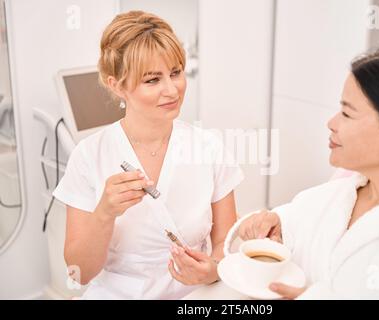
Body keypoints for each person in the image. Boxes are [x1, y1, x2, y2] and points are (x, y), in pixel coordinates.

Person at [53, 11, 243, 299]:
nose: (172, 90)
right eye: (152, 80)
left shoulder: (209, 148)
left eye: (176, 73)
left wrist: (214, 269)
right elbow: (79, 272)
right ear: (116, 85)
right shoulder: (88, 156)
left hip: (194, 296)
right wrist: (105, 212)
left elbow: (225, 245)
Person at [237, 48, 379, 299]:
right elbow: (289, 228)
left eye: (347, 114)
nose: (332, 123)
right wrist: (276, 228)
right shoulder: (328, 199)